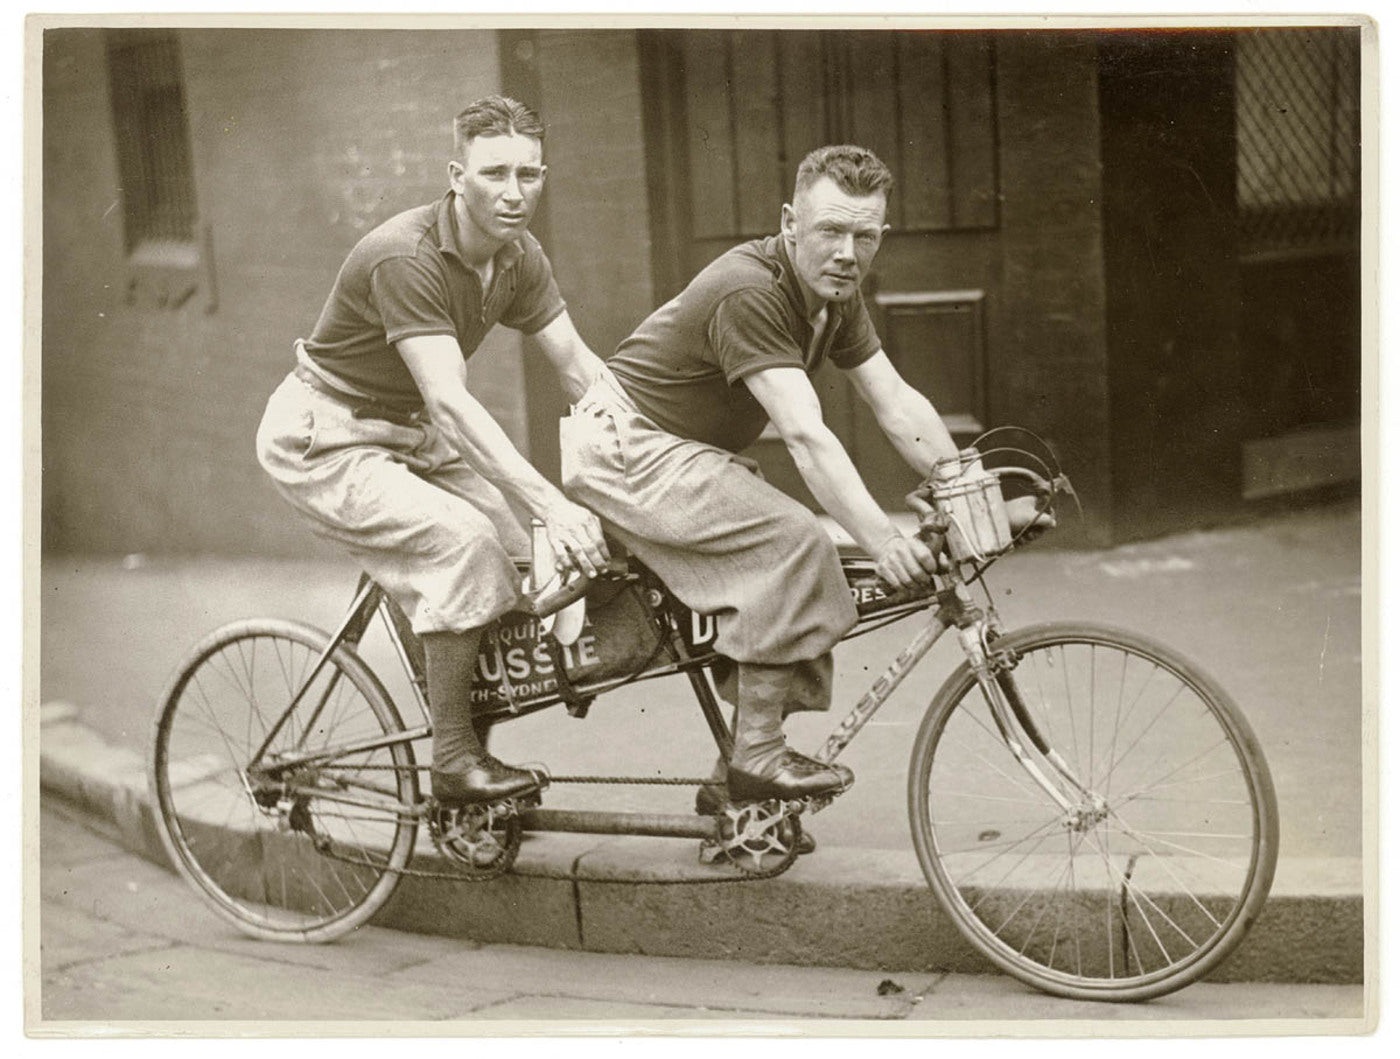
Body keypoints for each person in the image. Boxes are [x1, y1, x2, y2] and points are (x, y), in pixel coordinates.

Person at [560, 144, 971, 812]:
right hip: (626, 448)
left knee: (810, 559)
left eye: (863, 236)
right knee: (792, 543)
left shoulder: (835, 295)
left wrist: (962, 479)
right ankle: (754, 753)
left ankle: (738, 777)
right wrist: (884, 540)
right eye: (829, 231)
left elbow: (893, 400)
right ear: (789, 222)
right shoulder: (751, 290)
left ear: (881, 236)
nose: (846, 251)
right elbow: (805, 434)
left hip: (682, 450)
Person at [257, 96, 610, 807]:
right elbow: (450, 399)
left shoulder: (518, 255)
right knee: (463, 545)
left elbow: (576, 365)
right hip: (325, 436)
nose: (515, 194)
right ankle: (452, 760)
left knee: (518, 556)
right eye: (494, 174)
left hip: (409, 431)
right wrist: (552, 502)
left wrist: (646, 445)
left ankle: (469, 752)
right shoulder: (407, 256)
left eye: (530, 175)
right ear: (457, 175)